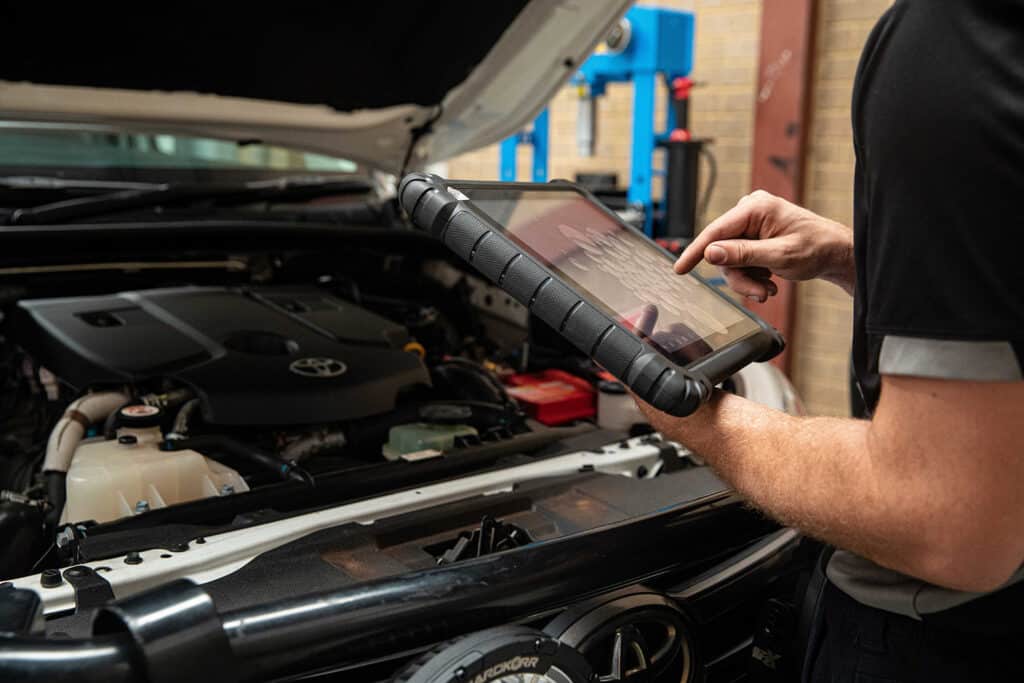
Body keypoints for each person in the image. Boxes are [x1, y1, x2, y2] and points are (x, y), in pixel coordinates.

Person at [635, 2, 1024, 680]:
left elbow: (942, 517)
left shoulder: (957, 39)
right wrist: (858, 258)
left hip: (945, 642)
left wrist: (699, 418)